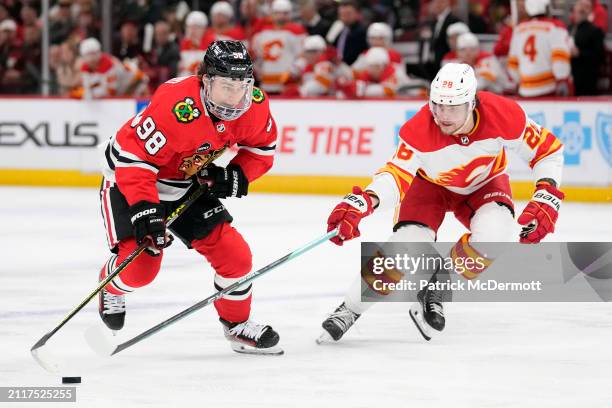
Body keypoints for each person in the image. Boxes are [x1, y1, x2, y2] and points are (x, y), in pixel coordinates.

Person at [318, 63, 565, 343]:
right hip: (428, 187)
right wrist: (364, 201)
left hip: (484, 183)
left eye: (453, 107)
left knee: (495, 235)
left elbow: (548, 151)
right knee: (406, 246)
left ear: (472, 102)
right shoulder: (418, 130)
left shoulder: (504, 114)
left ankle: (436, 288)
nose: (442, 115)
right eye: (437, 105)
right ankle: (350, 308)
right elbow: (396, 175)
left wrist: (547, 193)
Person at [97, 40, 282, 355]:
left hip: (185, 183)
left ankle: (236, 325)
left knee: (236, 257)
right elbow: (134, 159)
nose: (235, 96)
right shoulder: (175, 103)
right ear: (205, 80)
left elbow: (262, 150)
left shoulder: (254, 105)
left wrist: (237, 174)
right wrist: (144, 210)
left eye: (241, 86)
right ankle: (110, 283)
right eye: (226, 86)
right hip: (130, 178)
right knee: (142, 269)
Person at [507, 0, 572, 97]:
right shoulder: (556, 27)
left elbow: (512, 65)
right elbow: (560, 60)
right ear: (547, 8)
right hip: (549, 89)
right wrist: (562, 79)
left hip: (525, 90)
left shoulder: (518, 30)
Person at [78, 37, 148, 98]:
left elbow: (111, 91)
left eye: (94, 54)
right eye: (88, 55)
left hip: (137, 83)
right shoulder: (85, 68)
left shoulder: (110, 65)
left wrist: (91, 93)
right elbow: (87, 87)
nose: (92, 58)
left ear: (99, 53)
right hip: (123, 90)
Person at [569, 0, 605, 96]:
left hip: (586, 82)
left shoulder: (595, 31)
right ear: (575, 7)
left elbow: (600, 56)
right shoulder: (569, 28)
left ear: (590, 11)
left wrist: (579, 53)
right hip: (570, 80)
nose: (582, 8)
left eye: (587, 6)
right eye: (581, 4)